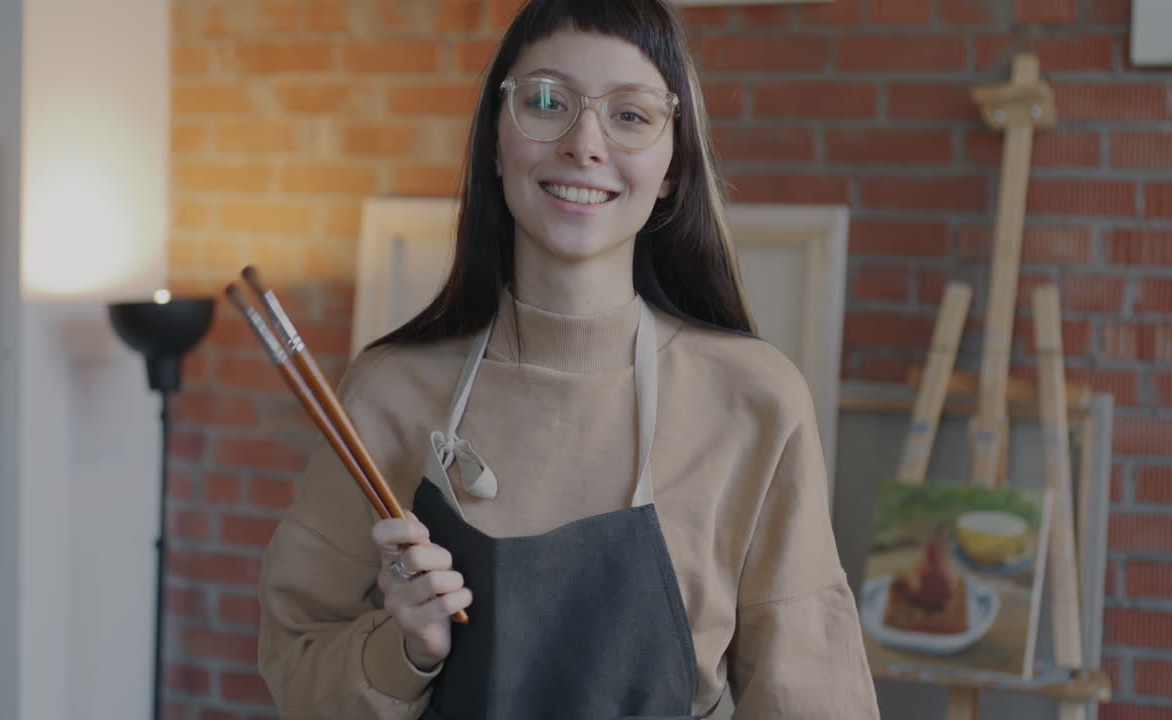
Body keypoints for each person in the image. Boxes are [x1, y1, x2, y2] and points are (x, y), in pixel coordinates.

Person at [257, 0, 879, 717]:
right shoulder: (386, 393)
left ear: (673, 166)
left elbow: (812, 696)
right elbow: (294, 658)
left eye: (631, 114)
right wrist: (403, 651)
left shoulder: (755, 402)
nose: (585, 143)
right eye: (546, 101)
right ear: (495, 141)